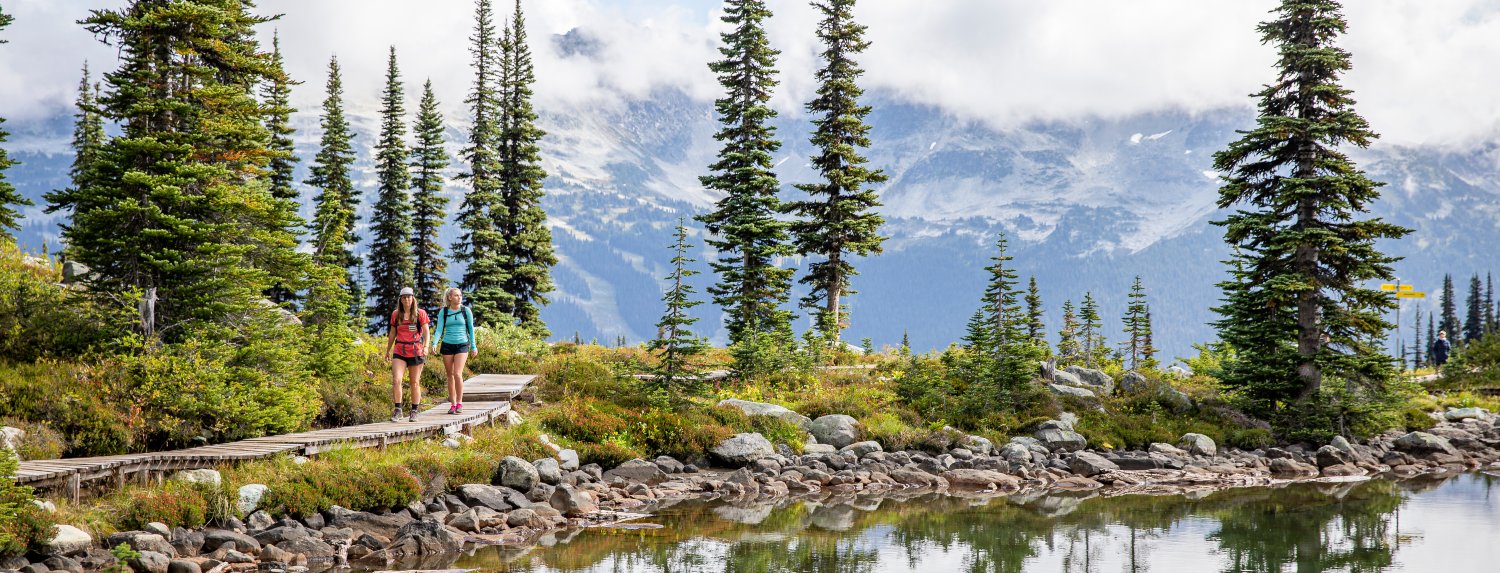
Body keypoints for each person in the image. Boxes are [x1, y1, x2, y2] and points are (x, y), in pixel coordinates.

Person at [385, 287, 430, 423]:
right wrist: (387, 350)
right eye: (404, 297)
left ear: (413, 298)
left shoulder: (420, 314)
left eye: (409, 297)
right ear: (401, 299)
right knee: (396, 380)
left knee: (414, 382)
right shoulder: (396, 314)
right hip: (399, 350)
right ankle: (398, 409)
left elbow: (426, 332)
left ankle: (414, 411)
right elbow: (393, 333)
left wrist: (426, 346)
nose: (407, 299)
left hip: (416, 350)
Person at [433, 287, 477, 414]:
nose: (459, 298)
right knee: (450, 375)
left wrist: (473, 346)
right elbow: (439, 329)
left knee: (457, 373)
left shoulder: (466, 311)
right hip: (447, 345)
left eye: (460, 295)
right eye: (456, 295)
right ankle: (452, 404)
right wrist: (434, 343)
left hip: (462, 345)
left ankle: (459, 403)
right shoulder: (444, 312)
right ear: (450, 297)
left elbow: (471, 329)